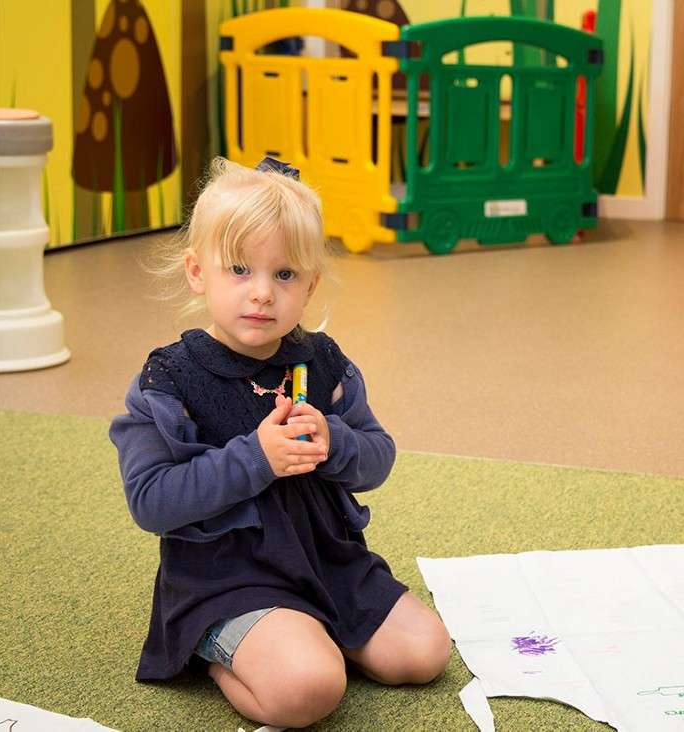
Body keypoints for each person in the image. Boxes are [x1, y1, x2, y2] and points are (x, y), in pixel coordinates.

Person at [110, 157, 450, 728]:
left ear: (311, 284)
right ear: (198, 272)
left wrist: (335, 441)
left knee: (425, 653)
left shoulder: (322, 361)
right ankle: (215, 652)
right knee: (310, 691)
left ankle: (304, 633)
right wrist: (257, 458)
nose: (262, 294)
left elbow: (378, 457)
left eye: (285, 275)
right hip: (230, 577)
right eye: (239, 269)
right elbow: (151, 501)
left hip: (327, 561)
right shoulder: (167, 380)